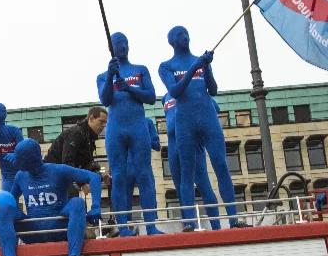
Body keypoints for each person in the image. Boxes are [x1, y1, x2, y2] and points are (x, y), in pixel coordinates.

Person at [157, 25, 238, 231]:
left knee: (221, 165)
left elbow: (213, 90)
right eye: (179, 35)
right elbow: (175, 90)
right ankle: (190, 223)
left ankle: (234, 218)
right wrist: (195, 68)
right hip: (185, 123)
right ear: (172, 41)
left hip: (208, 118)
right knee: (187, 174)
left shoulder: (200, 62)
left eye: (186, 34)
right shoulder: (166, 66)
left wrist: (207, 67)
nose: (185, 37)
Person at [0, 139, 102, 256]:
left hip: (59, 228)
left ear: (30, 160)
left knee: (77, 202)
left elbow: (93, 177)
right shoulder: (20, 176)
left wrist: (95, 206)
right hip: (33, 231)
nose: (16, 161)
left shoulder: (59, 170)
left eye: (19, 158)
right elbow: (10, 201)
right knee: (5, 209)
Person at [97, 33, 162, 236]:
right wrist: (110, 75)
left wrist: (130, 88)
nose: (123, 46)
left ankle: (151, 225)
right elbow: (105, 99)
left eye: (125, 43)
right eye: (118, 44)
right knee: (118, 176)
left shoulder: (140, 70)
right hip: (116, 129)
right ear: (111, 48)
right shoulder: (102, 76)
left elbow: (151, 97)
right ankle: (123, 226)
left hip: (137, 127)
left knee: (144, 174)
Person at [163, 95, 222, 230]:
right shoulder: (166, 97)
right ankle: (189, 224)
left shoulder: (195, 90)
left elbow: (214, 109)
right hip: (173, 147)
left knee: (203, 184)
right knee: (181, 188)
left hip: (193, 144)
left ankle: (216, 226)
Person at [45, 106, 107, 175]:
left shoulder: (89, 137)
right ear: (91, 118)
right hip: (52, 174)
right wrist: (82, 183)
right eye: (101, 122)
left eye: (105, 123)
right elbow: (67, 163)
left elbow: (86, 165)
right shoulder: (76, 133)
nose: (104, 125)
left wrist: (100, 176)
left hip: (59, 174)